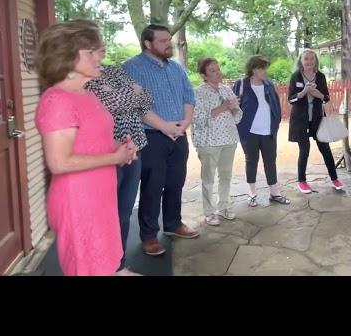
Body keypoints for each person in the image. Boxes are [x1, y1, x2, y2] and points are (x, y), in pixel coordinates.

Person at [35, 21, 137, 276]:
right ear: (67, 56)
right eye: (90, 51)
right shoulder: (57, 100)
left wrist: (121, 147)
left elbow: (94, 141)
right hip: (78, 200)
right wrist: (114, 157)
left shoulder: (88, 94)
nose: (99, 55)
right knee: (87, 267)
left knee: (103, 263)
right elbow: (59, 162)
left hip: (99, 193)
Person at [83, 21, 153, 275]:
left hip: (134, 149)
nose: (102, 48)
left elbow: (146, 98)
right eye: (95, 45)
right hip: (105, 155)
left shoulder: (114, 70)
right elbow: (114, 101)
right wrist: (128, 95)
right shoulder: (83, 78)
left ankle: (118, 264)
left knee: (123, 212)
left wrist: (124, 95)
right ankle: (100, 265)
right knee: (104, 214)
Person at [123, 24, 199, 257]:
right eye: (163, 40)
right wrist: (164, 126)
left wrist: (185, 122)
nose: (169, 43)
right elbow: (134, 105)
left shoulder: (176, 69)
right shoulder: (131, 68)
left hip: (178, 135)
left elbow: (189, 96)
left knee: (176, 182)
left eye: (169, 39)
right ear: (148, 43)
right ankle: (148, 236)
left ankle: (174, 224)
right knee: (152, 187)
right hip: (151, 136)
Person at [233, 56, 290, 207]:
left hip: (268, 131)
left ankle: (275, 193)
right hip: (249, 132)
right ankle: (252, 194)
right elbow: (232, 107)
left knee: (270, 161)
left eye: (265, 68)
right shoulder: (241, 85)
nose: (265, 71)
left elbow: (276, 104)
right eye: (262, 68)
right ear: (254, 69)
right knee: (251, 161)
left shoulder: (269, 84)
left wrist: (276, 122)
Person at [192, 58, 242, 225]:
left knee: (226, 176)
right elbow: (197, 119)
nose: (218, 72)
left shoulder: (227, 89)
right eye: (212, 70)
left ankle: (224, 207)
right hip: (208, 142)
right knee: (208, 179)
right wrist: (223, 107)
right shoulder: (199, 93)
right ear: (204, 75)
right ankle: (209, 212)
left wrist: (234, 108)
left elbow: (238, 117)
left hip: (229, 139)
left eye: (218, 69)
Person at [288, 49, 344, 194]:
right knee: (304, 150)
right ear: (301, 61)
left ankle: (334, 179)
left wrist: (317, 93)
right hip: (300, 120)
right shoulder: (296, 76)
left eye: (312, 59)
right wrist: (304, 92)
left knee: (325, 149)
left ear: (315, 61)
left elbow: (325, 98)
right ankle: (302, 181)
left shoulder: (320, 77)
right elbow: (291, 99)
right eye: (306, 59)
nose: (309, 62)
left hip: (317, 119)